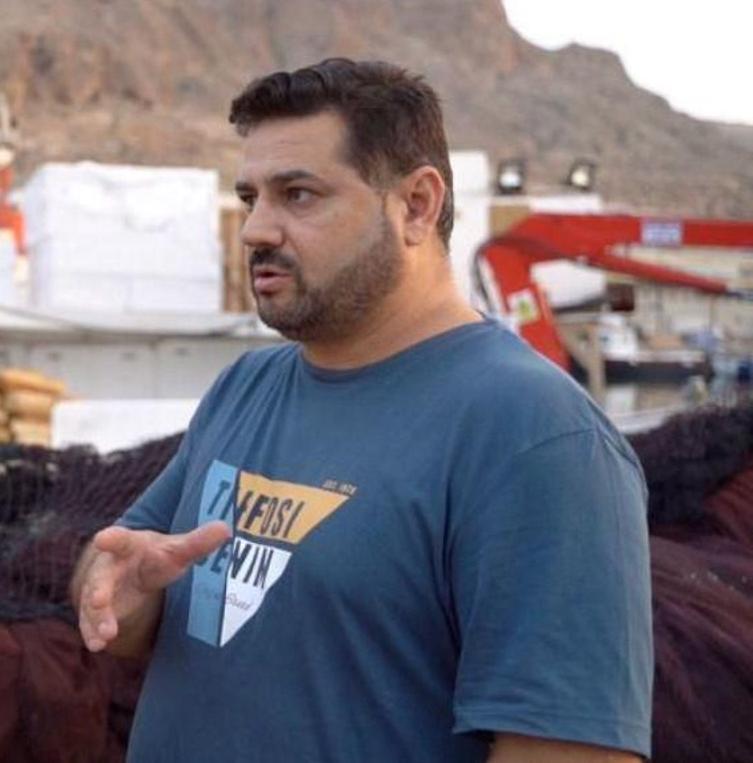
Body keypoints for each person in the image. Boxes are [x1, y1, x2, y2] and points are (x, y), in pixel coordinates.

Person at [73, 59, 652, 762]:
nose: (255, 229)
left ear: (416, 205)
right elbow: (131, 581)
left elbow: (567, 750)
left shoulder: (536, 436)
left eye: (298, 195)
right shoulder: (244, 387)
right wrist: (118, 590)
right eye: (250, 197)